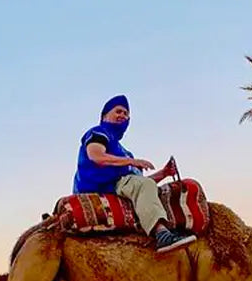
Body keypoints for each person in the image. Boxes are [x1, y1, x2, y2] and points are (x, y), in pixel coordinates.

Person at [73, 95, 197, 253]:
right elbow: (96, 156)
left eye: (126, 114)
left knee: (150, 187)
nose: (123, 116)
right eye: (118, 111)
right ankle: (162, 234)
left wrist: (164, 173)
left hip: (120, 185)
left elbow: (140, 184)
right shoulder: (98, 133)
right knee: (143, 185)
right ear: (105, 116)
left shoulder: (124, 151)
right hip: (100, 184)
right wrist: (132, 162)